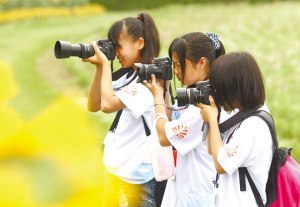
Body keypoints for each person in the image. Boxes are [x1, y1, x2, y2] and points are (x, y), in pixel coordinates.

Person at [83, 12, 161, 206]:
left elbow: (108, 106)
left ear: (140, 43)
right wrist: (100, 68)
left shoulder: (151, 80)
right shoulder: (128, 76)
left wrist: (105, 66)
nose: (116, 52)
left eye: (119, 46)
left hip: (137, 179)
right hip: (114, 168)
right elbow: (94, 105)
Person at [144, 32, 227, 207]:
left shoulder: (204, 104)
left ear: (202, 62)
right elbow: (168, 122)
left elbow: (163, 137)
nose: (175, 71)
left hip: (199, 191)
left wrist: (157, 97)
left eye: (179, 65)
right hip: (194, 188)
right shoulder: (200, 94)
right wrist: (164, 88)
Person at [198, 51, 273, 207]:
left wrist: (212, 120)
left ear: (233, 88)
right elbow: (213, 151)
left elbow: (221, 164)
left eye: (220, 89)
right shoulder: (246, 114)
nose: (217, 95)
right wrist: (214, 118)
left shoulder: (253, 126)